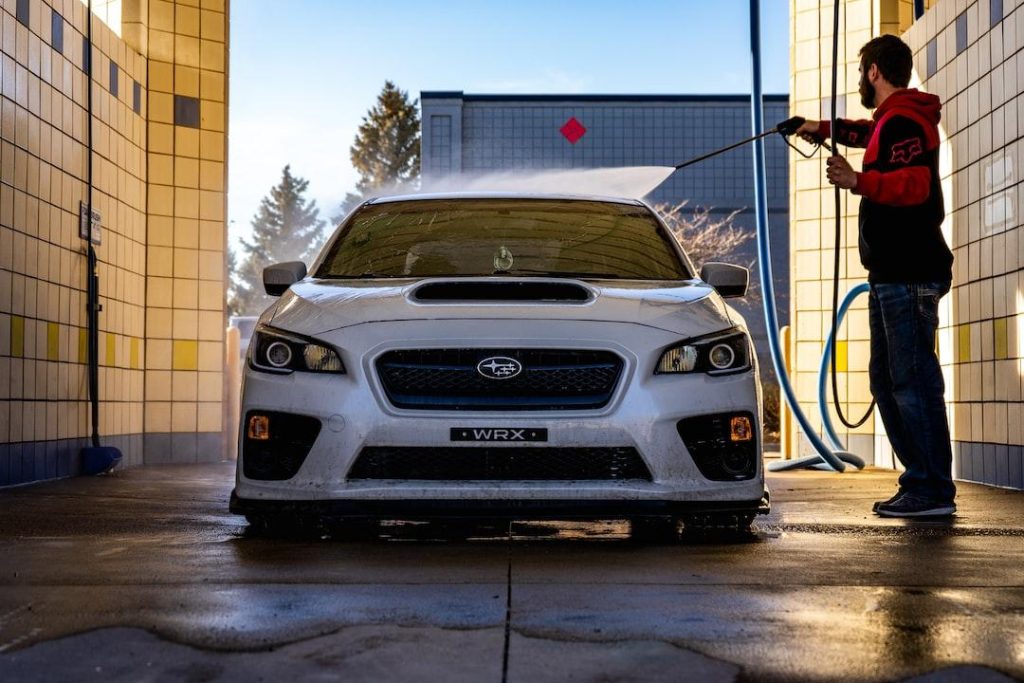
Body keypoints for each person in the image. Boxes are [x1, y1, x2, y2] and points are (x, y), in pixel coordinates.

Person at [796, 34, 956, 518]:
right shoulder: (894, 120)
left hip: (909, 274)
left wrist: (857, 181)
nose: (858, 80)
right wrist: (817, 127)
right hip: (892, 275)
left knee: (912, 381)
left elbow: (917, 184)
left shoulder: (904, 118)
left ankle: (930, 489)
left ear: (872, 72)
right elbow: (869, 135)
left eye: (860, 71)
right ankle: (921, 483)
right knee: (888, 381)